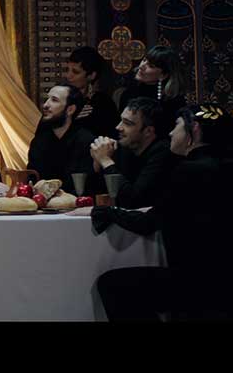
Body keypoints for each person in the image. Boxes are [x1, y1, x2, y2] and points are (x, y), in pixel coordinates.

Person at [91, 104, 233, 321]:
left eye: (176, 126)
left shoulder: (190, 170)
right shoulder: (222, 165)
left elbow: (147, 223)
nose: (171, 133)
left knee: (112, 285)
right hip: (222, 278)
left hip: (199, 282)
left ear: (194, 129)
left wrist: (105, 211)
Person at [0, 83, 94, 197]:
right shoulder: (39, 142)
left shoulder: (85, 141)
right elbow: (32, 183)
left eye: (54, 100)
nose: (46, 105)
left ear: (70, 109)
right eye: (47, 99)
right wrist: (13, 192)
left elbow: (85, 187)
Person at [88, 97, 175, 208]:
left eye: (127, 123)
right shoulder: (124, 147)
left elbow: (133, 200)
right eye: (121, 121)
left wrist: (105, 160)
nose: (118, 127)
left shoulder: (163, 153)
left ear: (148, 131)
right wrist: (98, 164)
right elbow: (99, 196)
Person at [118, 45, 187, 138]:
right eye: (144, 60)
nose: (141, 66)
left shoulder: (174, 101)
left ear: (163, 75)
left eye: (150, 66)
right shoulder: (129, 93)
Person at [64, 46, 120, 139]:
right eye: (67, 70)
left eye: (75, 72)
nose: (68, 76)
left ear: (91, 75)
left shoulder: (103, 103)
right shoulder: (61, 98)